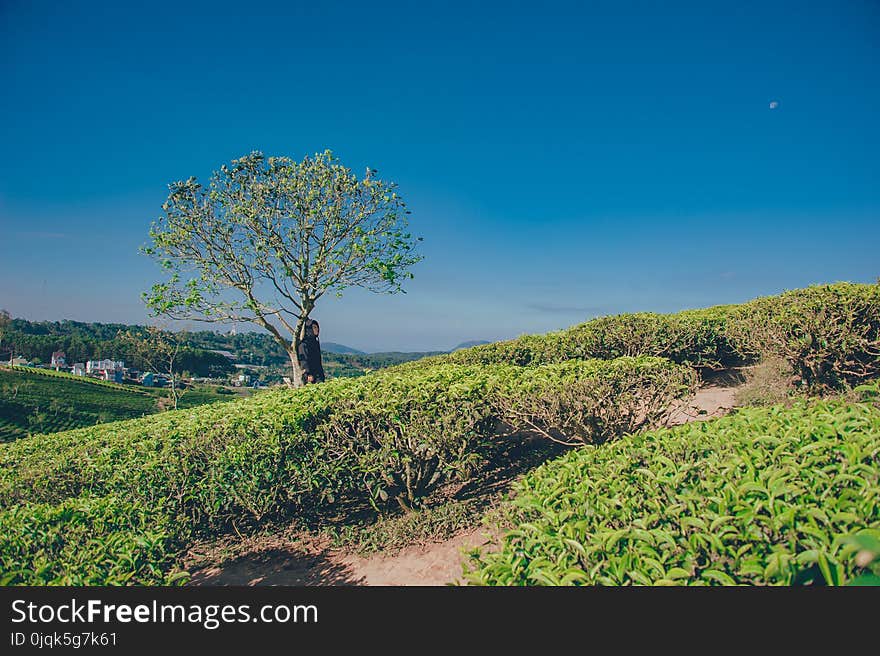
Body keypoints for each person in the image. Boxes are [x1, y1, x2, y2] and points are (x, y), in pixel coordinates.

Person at [297, 318, 325, 385]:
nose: (317, 329)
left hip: (318, 374)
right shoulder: (303, 344)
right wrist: (308, 373)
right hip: (310, 376)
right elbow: (303, 359)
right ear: (309, 329)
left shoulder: (315, 342)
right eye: (314, 327)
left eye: (317, 327)